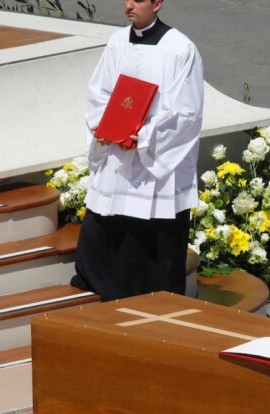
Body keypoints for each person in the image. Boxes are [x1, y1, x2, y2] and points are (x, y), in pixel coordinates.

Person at [71, 0, 204, 301]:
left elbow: (187, 113)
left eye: (139, 0)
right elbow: (98, 92)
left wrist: (143, 136)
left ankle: (154, 297)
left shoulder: (180, 49)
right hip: (119, 151)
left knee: (152, 243)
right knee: (105, 230)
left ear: (157, 4)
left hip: (152, 156)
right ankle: (101, 286)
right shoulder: (117, 43)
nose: (129, 5)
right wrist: (107, 128)